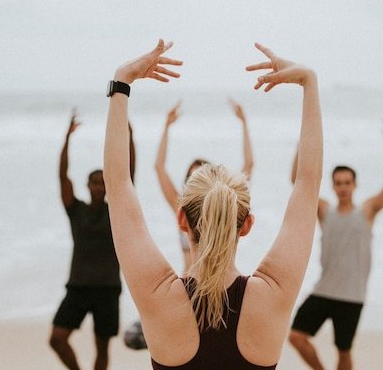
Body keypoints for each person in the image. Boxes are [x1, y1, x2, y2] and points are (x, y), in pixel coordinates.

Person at [103, 39, 323, 369]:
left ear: (182, 219)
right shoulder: (272, 293)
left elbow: (118, 185)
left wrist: (121, 83)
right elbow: (307, 184)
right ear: (247, 224)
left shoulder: (158, 295)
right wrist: (309, 82)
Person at [288, 120, 383, 370]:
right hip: (324, 290)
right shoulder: (325, 212)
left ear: (354, 185)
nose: (342, 187)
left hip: (352, 296)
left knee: (343, 351)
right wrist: (301, 145)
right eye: (338, 183)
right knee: (295, 336)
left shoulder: (367, 211)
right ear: (332, 186)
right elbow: (297, 182)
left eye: (347, 183)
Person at [49, 111, 135, 370]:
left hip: (107, 288)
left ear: (108, 186)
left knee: (102, 349)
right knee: (56, 339)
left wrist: (129, 136)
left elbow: (129, 174)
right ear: (87, 186)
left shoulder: (117, 210)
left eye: (102, 183)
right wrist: (66, 139)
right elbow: (62, 177)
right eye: (94, 183)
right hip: (78, 287)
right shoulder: (76, 210)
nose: (98, 187)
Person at [155, 98, 254, 273]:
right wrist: (166, 127)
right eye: (193, 179)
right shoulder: (182, 207)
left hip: (223, 286)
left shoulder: (226, 207)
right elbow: (159, 167)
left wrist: (244, 123)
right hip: (188, 287)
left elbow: (248, 165)